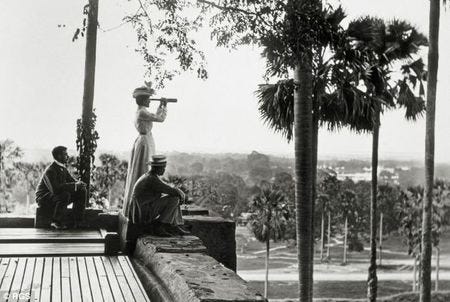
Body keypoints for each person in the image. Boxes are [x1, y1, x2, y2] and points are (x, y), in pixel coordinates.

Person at [122, 85, 168, 218]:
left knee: (144, 168)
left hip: (146, 140)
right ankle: (141, 209)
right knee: (143, 169)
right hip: (144, 143)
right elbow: (160, 118)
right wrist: (163, 106)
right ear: (142, 100)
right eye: (148, 99)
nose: (149, 101)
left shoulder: (141, 111)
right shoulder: (142, 112)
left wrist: (161, 105)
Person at [128, 155, 189, 237]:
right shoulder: (151, 179)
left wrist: (177, 192)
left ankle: (173, 225)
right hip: (144, 211)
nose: (164, 170)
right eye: (163, 168)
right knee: (174, 199)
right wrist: (181, 193)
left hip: (141, 210)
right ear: (157, 168)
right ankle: (160, 226)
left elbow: (166, 188)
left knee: (174, 198)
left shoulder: (150, 176)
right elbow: (170, 190)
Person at [35, 146, 87, 229]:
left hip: (55, 196)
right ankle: (56, 222)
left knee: (81, 191)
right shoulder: (50, 170)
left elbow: (72, 181)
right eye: (65, 154)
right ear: (59, 156)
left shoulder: (63, 168)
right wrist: (74, 185)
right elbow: (55, 189)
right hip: (43, 197)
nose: (68, 156)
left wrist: (79, 184)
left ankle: (78, 221)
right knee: (65, 195)